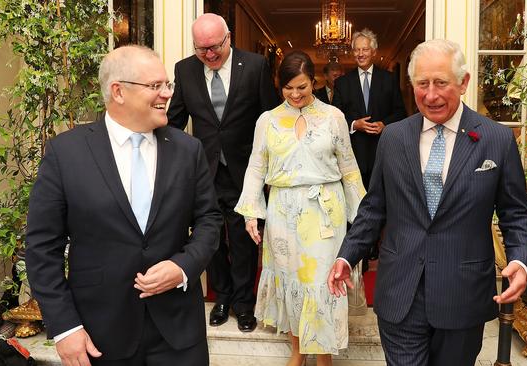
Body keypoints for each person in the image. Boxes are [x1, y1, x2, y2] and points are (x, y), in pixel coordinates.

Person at [327, 39, 527, 366]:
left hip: (462, 294)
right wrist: (347, 255)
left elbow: (517, 214)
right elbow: (374, 208)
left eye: (441, 83)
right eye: (422, 84)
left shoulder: (496, 140)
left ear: (464, 82)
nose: (431, 94)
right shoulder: (393, 139)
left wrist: (521, 262)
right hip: (401, 291)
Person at [25, 45, 222, 366]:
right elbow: (41, 247)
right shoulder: (66, 154)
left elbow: (210, 221)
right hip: (98, 334)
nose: (167, 94)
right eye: (155, 86)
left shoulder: (189, 150)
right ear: (118, 92)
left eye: (167, 84)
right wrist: (64, 327)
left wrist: (183, 267)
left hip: (178, 333)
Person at [235, 50, 366, 366]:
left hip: (324, 213)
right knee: (290, 282)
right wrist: (252, 211)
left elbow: (349, 169)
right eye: (288, 88)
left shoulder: (334, 117)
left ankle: (323, 357)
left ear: (314, 82)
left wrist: (362, 219)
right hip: (283, 213)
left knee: (322, 284)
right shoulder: (267, 121)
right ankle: (297, 351)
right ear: (280, 86)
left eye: (303, 87)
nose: (295, 95)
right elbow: (256, 166)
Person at [167, 13, 279, 332]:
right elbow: (174, 121)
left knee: (244, 240)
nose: (210, 55)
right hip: (204, 172)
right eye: (202, 50)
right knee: (210, 239)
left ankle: (245, 303)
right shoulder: (185, 69)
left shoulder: (255, 66)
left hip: (245, 171)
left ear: (228, 38)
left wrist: (269, 169)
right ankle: (223, 298)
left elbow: (268, 119)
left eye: (215, 47)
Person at [332, 28, 407, 189]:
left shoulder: (389, 79)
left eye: (365, 49)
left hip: (383, 152)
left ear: (373, 51)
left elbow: (401, 112)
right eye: (356, 50)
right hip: (352, 154)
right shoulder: (342, 83)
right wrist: (354, 124)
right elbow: (334, 118)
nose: (360, 53)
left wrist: (384, 124)